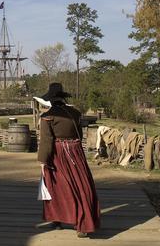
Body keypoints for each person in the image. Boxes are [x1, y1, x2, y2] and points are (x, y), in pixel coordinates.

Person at [37, 83, 100, 237]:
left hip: (58, 154)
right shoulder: (75, 113)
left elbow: (46, 140)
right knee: (80, 185)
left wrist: (43, 161)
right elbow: (79, 134)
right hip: (76, 152)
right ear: (62, 98)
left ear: (50, 100)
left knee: (56, 186)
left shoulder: (47, 116)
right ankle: (78, 223)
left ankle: (61, 220)